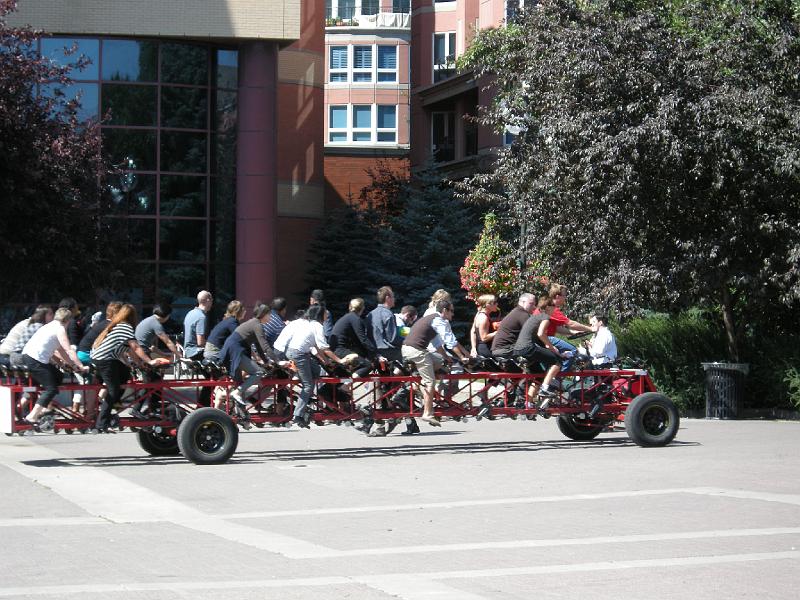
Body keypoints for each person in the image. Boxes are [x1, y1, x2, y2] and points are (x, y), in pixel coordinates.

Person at [91, 304, 161, 432]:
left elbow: (129, 351)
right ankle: (101, 423)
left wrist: (138, 364)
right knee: (113, 390)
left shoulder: (118, 325)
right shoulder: (125, 327)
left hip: (102, 358)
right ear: (132, 317)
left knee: (125, 373)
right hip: (105, 360)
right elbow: (135, 347)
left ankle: (116, 403)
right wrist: (149, 362)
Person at [275, 305, 343, 428]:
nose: (327, 316)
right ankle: (298, 415)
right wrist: (339, 361)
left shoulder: (309, 324)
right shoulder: (317, 325)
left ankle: (310, 397)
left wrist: (325, 360)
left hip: (297, 352)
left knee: (318, 371)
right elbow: (324, 347)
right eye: (325, 314)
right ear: (320, 315)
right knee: (308, 385)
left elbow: (316, 346)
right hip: (299, 354)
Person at [21, 308, 88, 426]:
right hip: (36, 360)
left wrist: (68, 364)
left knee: (58, 375)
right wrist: (80, 366)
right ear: (68, 320)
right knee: (51, 388)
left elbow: (60, 350)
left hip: (28, 356)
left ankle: (45, 403)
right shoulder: (60, 329)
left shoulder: (49, 326)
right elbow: (69, 350)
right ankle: (33, 416)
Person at [402, 299, 456, 427]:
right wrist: (464, 355)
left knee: (439, 360)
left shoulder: (430, 319)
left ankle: (421, 385)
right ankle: (427, 413)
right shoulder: (438, 320)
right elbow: (451, 341)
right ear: (444, 311)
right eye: (452, 311)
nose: (453, 314)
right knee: (430, 381)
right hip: (416, 351)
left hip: (410, 349)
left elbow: (437, 345)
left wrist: (446, 357)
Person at [218, 303, 275, 405]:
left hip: (231, 351)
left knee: (239, 383)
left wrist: (266, 361)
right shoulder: (257, 325)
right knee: (259, 372)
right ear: (265, 314)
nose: (271, 317)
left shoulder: (253, 323)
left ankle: (241, 414)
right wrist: (278, 361)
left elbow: (259, 347)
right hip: (235, 352)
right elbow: (265, 346)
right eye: (270, 314)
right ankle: (236, 392)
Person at [75, 301, 123, 415]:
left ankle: (92, 408)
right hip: (88, 355)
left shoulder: (104, 323)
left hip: (83, 353)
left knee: (98, 381)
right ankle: (93, 410)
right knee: (110, 377)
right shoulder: (111, 326)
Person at [513, 296, 564, 399]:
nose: (556, 308)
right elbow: (541, 334)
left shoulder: (534, 317)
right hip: (527, 348)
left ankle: (529, 402)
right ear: (548, 307)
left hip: (518, 349)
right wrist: (553, 349)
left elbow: (538, 338)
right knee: (557, 361)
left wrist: (549, 347)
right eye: (554, 306)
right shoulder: (545, 317)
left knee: (538, 375)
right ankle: (545, 389)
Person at [535, 283, 593, 372]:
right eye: (564, 296)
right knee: (572, 351)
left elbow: (557, 328)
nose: (565, 298)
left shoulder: (548, 307)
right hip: (544, 337)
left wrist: (572, 332)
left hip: (538, 339)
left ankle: (551, 379)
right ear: (558, 296)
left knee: (553, 360)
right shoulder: (552, 308)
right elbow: (571, 323)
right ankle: (559, 377)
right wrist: (590, 329)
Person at [330, 298, 376, 378]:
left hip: (336, 349)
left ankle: (344, 385)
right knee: (367, 366)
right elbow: (363, 340)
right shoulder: (355, 319)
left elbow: (356, 341)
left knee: (345, 373)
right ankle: (347, 384)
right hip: (341, 350)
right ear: (362, 308)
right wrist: (375, 352)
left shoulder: (348, 317)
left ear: (350, 307)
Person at [423, 289, 470, 362]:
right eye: (448, 301)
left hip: (435, 347)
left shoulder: (430, 311)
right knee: (456, 367)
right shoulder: (438, 316)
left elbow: (451, 336)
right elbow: (448, 338)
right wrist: (461, 356)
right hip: (432, 349)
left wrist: (465, 352)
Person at [491, 293, 536, 359]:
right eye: (531, 303)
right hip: (506, 349)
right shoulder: (522, 314)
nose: (534, 307)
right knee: (544, 354)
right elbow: (533, 334)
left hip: (500, 349)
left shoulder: (516, 311)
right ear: (523, 302)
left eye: (534, 304)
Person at [366, 286, 402, 362]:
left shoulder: (370, 314)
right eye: (393, 297)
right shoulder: (388, 314)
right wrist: (406, 340)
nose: (394, 299)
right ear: (387, 298)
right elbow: (392, 338)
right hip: (388, 352)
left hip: (373, 352)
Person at [183, 290, 213, 359]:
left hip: (187, 352)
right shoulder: (201, 317)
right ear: (208, 300)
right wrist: (213, 345)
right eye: (211, 300)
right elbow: (200, 342)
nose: (212, 303)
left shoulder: (190, 313)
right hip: (195, 352)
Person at [470, 294, 500, 358]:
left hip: (482, 348)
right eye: (494, 303)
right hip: (487, 350)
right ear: (487, 305)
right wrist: (498, 331)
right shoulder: (484, 318)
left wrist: (473, 347)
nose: (497, 304)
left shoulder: (479, 314)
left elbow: (473, 331)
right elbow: (484, 338)